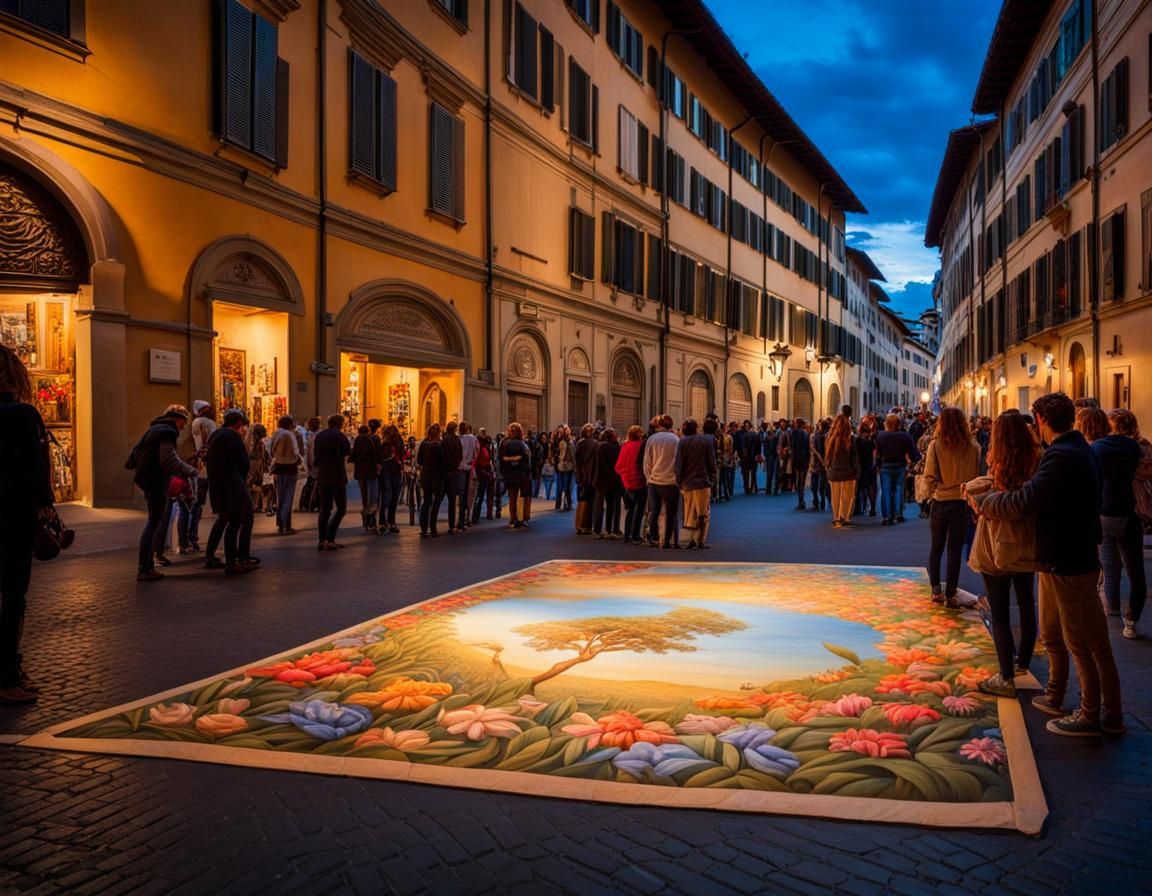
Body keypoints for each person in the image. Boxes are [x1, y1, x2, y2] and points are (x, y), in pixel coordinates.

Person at [971, 393, 1124, 737]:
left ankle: (1094, 715)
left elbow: (1026, 500)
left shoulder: (1062, 456)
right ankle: (1058, 694)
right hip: (1060, 558)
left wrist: (987, 502)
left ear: (1041, 420)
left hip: (1069, 560)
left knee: (1084, 642)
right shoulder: (1078, 450)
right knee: (1054, 633)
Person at [968, 410, 1042, 698]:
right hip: (1025, 536)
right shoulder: (1037, 458)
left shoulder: (997, 460)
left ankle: (1005, 675)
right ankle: (1023, 661)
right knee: (1025, 601)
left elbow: (994, 497)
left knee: (999, 612)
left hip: (995, 537)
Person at [0, 345, 56, 705]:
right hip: (12, 517)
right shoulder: (22, 415)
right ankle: (7, 675)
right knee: (13, 596)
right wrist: (45, 508)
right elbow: (35, 472)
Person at [130, 405, 198, 581]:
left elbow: (135, 454)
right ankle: (144, 568)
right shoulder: (167, 431)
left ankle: (147, 566)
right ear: (177, 418)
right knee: (153, 524)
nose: (183, 427)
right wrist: (189, 470)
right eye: (183, 422)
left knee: (154, 523)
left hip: (149, 480)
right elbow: (168, 460)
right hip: (156, 481)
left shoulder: (154, 429)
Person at [1094, 408, 1146, 639]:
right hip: (1128, 513)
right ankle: (1131, 621)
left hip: (1104, 512)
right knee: (1135, 571)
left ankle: (1110, 607)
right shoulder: (1136, 448)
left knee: (1108, 566)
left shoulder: (1097, 447)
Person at [922, 407, 981, 605]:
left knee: (936, 547)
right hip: (962, 502)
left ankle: (936, 590)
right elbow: (976, 477)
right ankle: (951, 595)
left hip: (940, 501)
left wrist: (929, 495)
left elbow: (930, 475)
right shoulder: (973, 447)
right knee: (954, 550)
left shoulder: (935, 446)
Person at [205, 409, 257, 575]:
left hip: (217, 482)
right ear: (239, 423)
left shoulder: (215, 435)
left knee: (224, 518)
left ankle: (211, 556)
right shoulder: (233, 436)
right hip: (233, 482)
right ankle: (236, 560)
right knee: (241, 517)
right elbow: (244, 462)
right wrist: (242, 478)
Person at [177, 400, 215, 555]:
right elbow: (210, 444)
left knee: (185, 507)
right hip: (201, 469)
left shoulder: (190, 425)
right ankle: (192, 539)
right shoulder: (208, 424)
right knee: (195, 506)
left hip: (186, 468)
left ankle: (184, 541)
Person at [676, 418, 717, 549]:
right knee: (703, 512)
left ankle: (691, 539)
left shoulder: (681, 442)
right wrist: (712, 477)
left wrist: (679, 482)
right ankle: (700, 539)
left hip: (687, 483)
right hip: (702, 482)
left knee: (690, 512)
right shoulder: (705, 442)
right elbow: (711, 462)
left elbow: (679, 464)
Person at [314, 414, 351, 550]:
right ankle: (330, 538)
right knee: (341, 508)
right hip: (337, 474)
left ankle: (321, 539)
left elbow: (316, 455)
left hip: (323, 474)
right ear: (340, 423)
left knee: (325, 508)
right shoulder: (340, 436)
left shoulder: (320, 436)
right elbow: (347, 451)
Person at [876, 413, 919, 525]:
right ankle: (898, 514)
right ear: (898, 424)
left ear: (887, 424)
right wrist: (915, 461)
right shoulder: (905, 436)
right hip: (900, 465)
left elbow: (878, 454)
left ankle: (887, 517)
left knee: (886, 491)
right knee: (899, 489)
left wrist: (877, 465)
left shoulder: (881, 436)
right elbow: (913, 453)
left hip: (886, 466)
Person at [644, 415, 680, 549]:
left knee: (654, 510)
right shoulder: (676, 440)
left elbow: (647, 461)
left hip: (654, 480)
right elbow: (678, 462)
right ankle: (667, 540)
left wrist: (649, 477)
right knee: (671, 513)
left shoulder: (652, 439)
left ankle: (653, 537)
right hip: (671, 481)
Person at [824, 414, 860, 528]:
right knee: (848, 495)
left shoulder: (829, 438)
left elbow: (827, 455)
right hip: (848, 471)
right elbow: (854, 457)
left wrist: (828, 468)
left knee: (835, 495)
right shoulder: (850, 439)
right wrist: (857, 470)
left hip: (834, 471)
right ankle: (845, 516)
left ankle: (836, 518)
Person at [269, 414, 302, 535]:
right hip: (290, 468)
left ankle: (280, 524)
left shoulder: (276, 433)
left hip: (278, 467)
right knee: (288, 496)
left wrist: (277, 458)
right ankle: (285, 525)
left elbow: (270, 449)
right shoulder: (289, 434)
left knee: (280, 497)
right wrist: (298, 461)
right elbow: (295, 452)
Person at [616, 425, 647, 543]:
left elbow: (618, 466)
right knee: (639, 510)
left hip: (627, 482)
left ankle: (627, 535)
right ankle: (635, 535)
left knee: (630, 509)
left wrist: (625, 476)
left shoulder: (625, 446)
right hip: (639, 481)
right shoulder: (641, 445)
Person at [591, 428, 623, 539]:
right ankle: (610, 529)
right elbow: (615, 463)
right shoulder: (611, 448)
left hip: (599, 479)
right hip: (610, 480)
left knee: (599, 506)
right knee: (612, 505)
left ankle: (597, 529)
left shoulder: (599, 446)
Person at [417, 423, 448, 536]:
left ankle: (424, 527)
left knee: (427, 500)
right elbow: (443, 460)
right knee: (436, 501)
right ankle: (433, 527)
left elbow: (419, 460)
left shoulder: (424, 444)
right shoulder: (440, 445)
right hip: (437, 475)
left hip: (426, 475)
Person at [500, 422, 533, 529]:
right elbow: (525, 460)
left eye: (514, 431)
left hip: (512, 474)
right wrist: (516, 459)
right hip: (520, 474)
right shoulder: (521, 444)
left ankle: (515, 519)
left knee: (514, 497)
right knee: (519, 498)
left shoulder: (506, 443)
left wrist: (509, 460)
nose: (513, 432)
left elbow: (502, 459)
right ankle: (519, 519)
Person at [350, 424, 381, 533]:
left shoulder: (357, 440)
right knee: (373, 494)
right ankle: (371, 517)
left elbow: (353, 454)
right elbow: (377, 454)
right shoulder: (372, 440)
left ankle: (365, 511)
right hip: (371, 469)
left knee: (364, 493)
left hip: (360, 470)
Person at [378, 424, 405, 534]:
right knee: (392, 495)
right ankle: (390, 521)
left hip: (387, 471)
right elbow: (402, 454)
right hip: (393, 471)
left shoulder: (385, 441)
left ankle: (384, 522)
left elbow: (381, 457)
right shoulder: (394, 441)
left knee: (387, 495)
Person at [573, 424, 599, 535]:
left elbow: (577, 461)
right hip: (589, 475)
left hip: (581, 475)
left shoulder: (579, 443)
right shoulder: (593, 444)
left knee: (582, 500)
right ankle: (585, 525)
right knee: (588, 501)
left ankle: (579, 524)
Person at [441, 421, 465, 534]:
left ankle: (432, 525)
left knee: (437, 500)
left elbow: (442, 455)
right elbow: (460, 455)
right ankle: (451, 525)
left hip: (444, 471)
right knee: (452, 500)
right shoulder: (456, 440)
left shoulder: (444, 440)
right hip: (454, 472)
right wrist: (455, 464)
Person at [458, 422, 479, 531]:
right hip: (469, 468)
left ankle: (459, 520)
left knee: (459, 496)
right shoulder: (473, 439)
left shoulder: (458, 439)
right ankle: (465, 519)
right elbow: (476, 452)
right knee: (468, 495)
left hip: (459, 468)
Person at [855, 419, 878, 517]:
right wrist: (874, 465)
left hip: (860, 467)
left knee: (858, 489)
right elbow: (874, 455)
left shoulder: (857, 441)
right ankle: (872, 508)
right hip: (869, 467)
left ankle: (858, 509)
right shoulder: (872, 443)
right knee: (870, 489)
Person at [809, 418, 831, 512]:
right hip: (822, 463)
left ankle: (818, 500)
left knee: (817, 484)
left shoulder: (817, 436)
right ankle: (821, 500)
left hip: (817, 462)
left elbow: (814, 449)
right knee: (821, 483)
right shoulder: (826, 436)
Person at [552, 426, 575, 511]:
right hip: (566, 466)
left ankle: (559, 505)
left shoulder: (556, 441)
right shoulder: (567, 442)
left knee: (560, 486)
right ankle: (566, 504)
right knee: (567, 486)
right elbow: (571, 455)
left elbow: (552, 455)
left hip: (559, 466)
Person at [790, 418, 811, 510]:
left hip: (798, 459)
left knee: (799, 481)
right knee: (802, 481)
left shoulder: (794, 433)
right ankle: (801, 501)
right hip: (805, 459)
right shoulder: (806, 433)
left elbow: (794, 446)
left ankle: (800, 501)